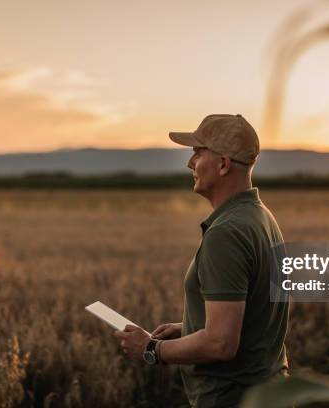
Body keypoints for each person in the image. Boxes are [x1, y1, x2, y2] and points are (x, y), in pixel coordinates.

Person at [114, 114, 289, 407]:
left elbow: (221, 343)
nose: (190, 163)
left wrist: (152, 349)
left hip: (233, 398)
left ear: (222, 164)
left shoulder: (227, 233)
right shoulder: (261, 217)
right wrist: (188, 327)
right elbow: (252, 316)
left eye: (198, 152)